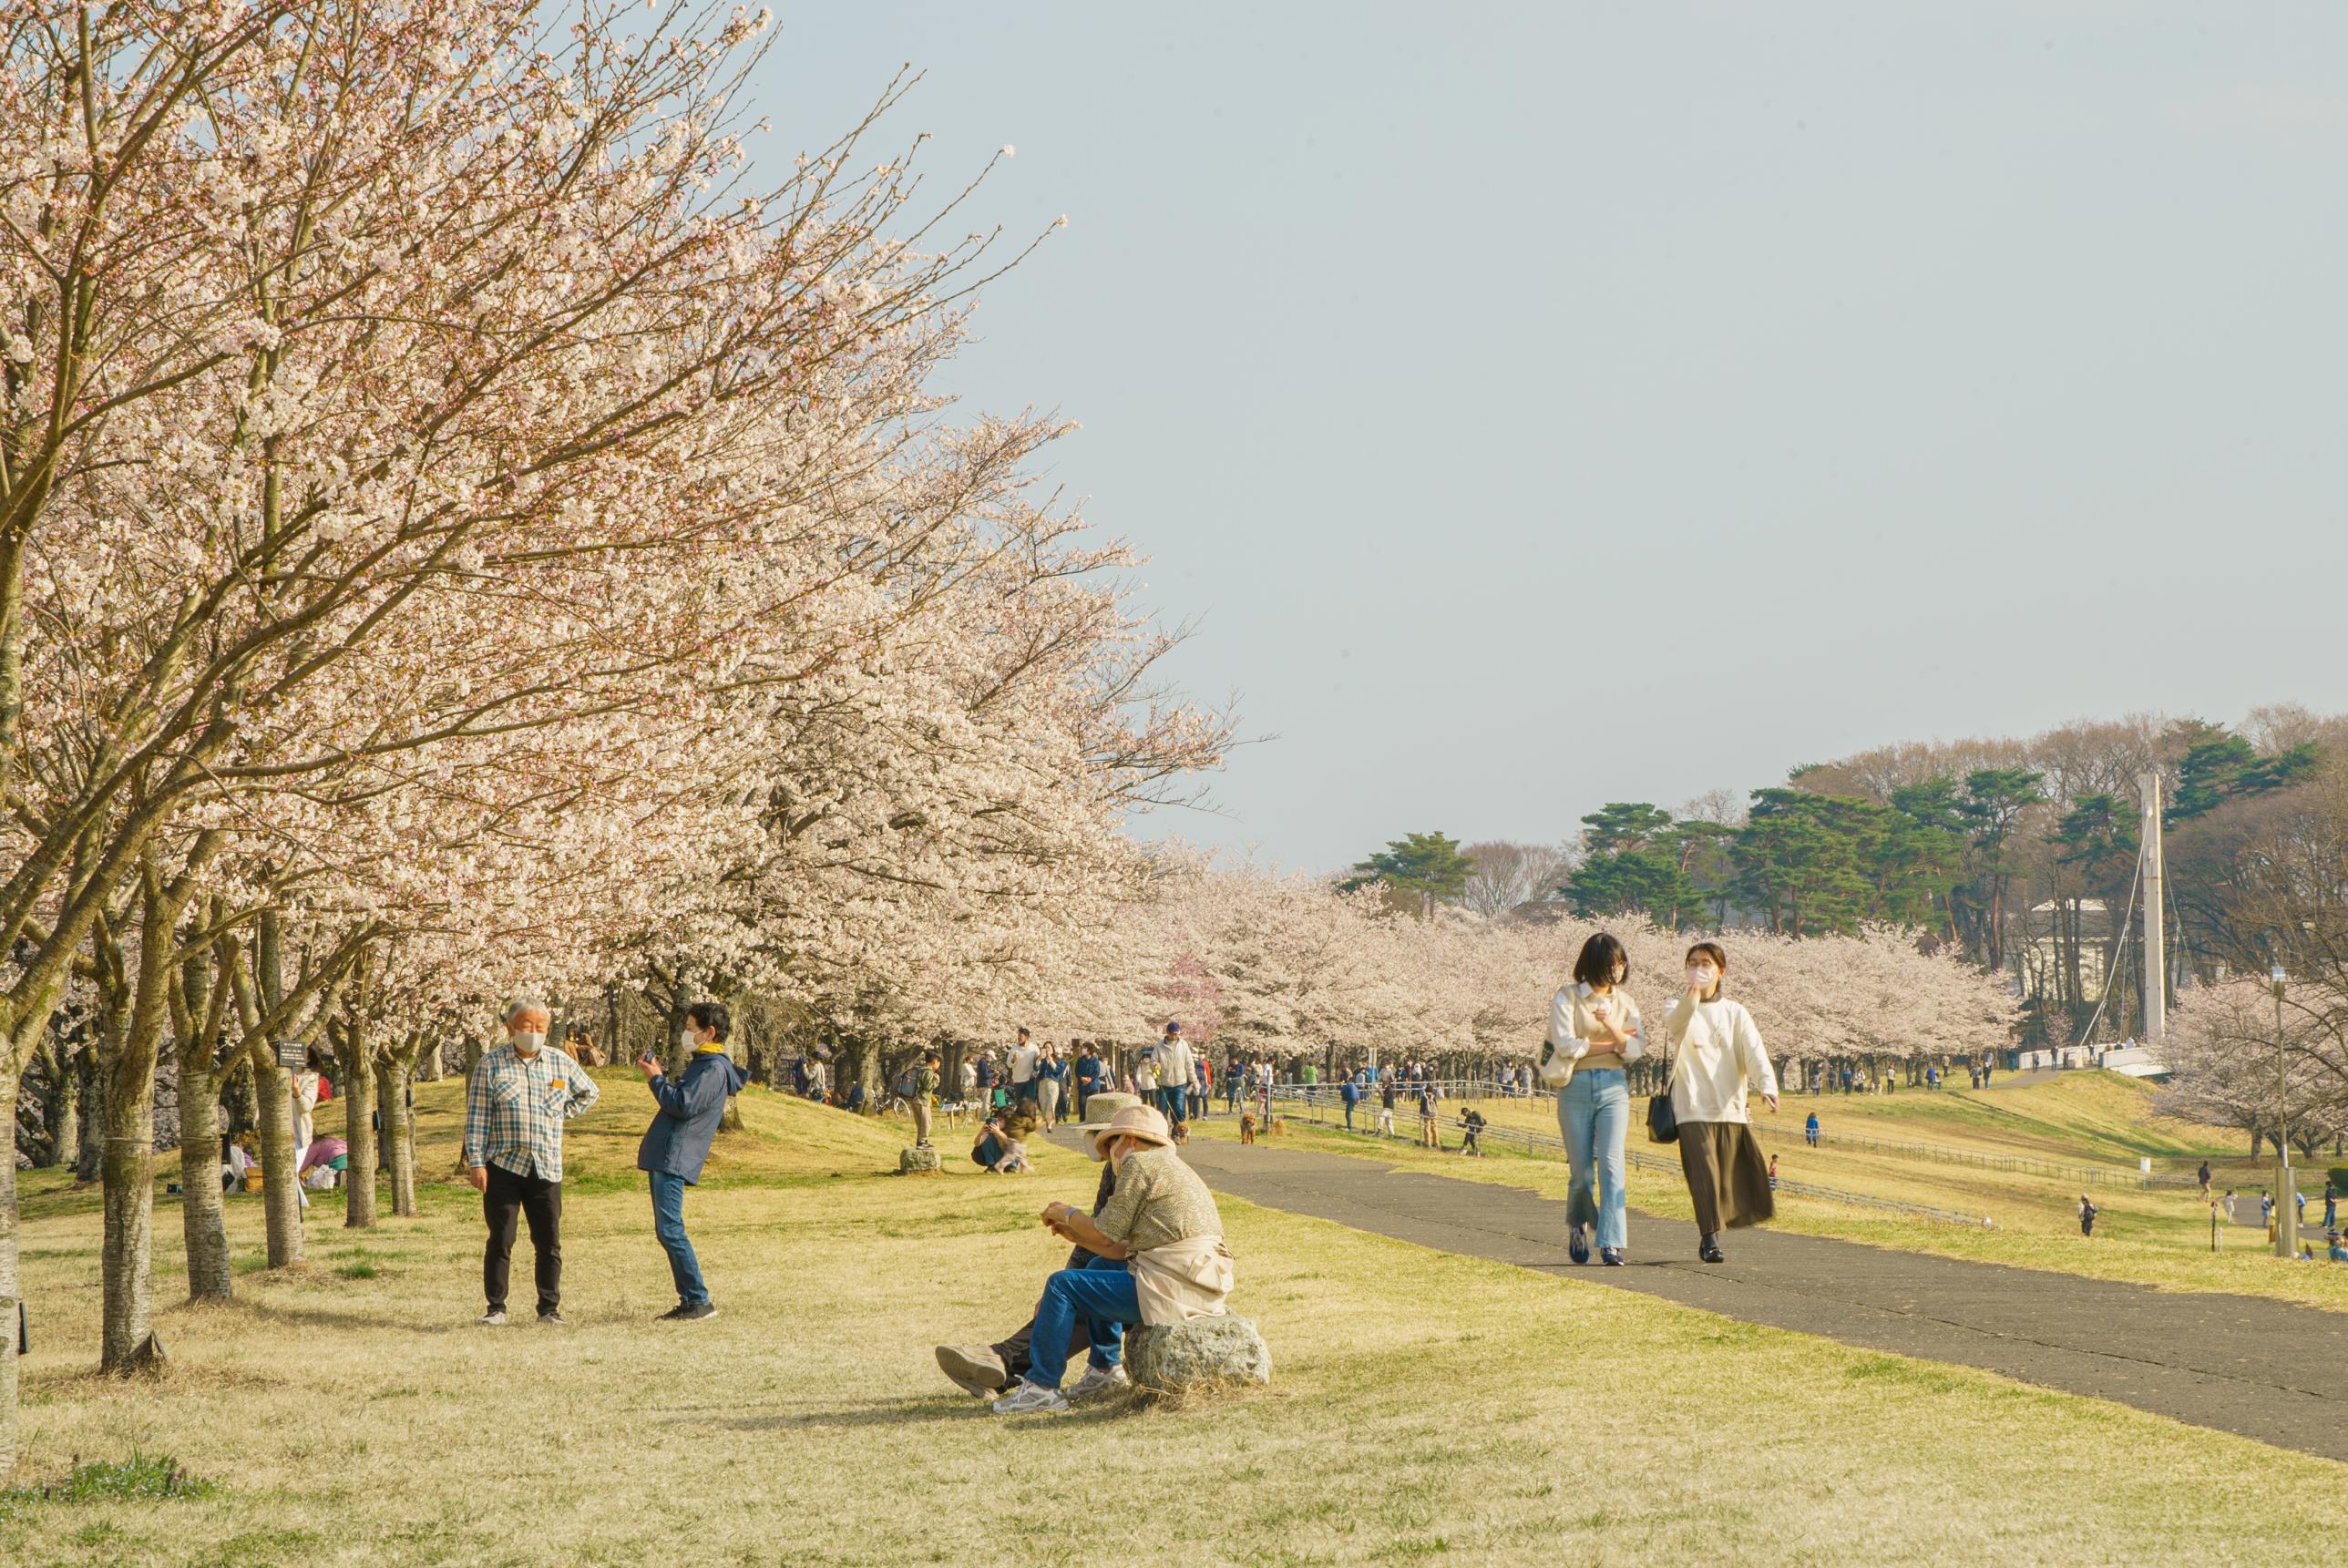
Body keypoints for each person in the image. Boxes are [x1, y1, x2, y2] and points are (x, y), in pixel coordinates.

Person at [992, 1103, 1235, 1415]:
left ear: (1130, 1140)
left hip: (1173, 1285)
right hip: (1199, 1278)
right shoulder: (1172, 1167)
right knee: (1100, 1266)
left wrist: (1066, 1212)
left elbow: (1106, 1233)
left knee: (1061, 1286)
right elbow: (1120, 1249)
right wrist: (1075, 1235)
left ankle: (1041, 1388)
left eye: (1110, 1142)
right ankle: (1104, 1370)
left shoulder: (1140, 1165)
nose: (1108, 1152)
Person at [935, 1094, 1143, 1401]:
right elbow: (1099, 1242)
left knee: (1074, 1292)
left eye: (1097, 1136)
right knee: (1078, 1285)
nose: (1092, 1143)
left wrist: (1069, 1216)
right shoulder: (1118, 1169)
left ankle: (1011, 1366)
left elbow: (1104, 1237)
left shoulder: (1134, 1171)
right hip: (1133, 1270)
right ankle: (1005, 1363)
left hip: (1152, 1281)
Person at [463, 996, 601, 1327]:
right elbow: (477, 1116)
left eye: (540, 1027)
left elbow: (589, 1092)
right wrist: (476, 1162)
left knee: (549, 1241)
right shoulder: (491, 1064)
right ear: (510, 1028)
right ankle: (496, 1307)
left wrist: (561, 1114)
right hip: (503, 1166)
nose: (533, 1032)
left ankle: (549, 1309)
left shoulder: (559, 1062)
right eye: (527, 1026)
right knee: (501, 1238)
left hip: (546, 1165)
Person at [1663, 942, 1778, 1264]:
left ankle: (1721, 1224)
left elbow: (1754, 1051)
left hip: (1729, 1104)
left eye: (1706, 963)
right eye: (1693, 962)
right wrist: (1693, 996)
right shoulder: (1675, 1005)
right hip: (1690, 1106)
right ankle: (1709, 1237)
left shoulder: (1735, 1012)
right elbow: (1677, 1025)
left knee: (1732, 1172)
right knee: (1705, 1174)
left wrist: (1767, 1086)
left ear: (1721, 971)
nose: (1699, 968)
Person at [635, 1001, 747, 1323]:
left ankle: (698, 1300)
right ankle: (690, 1300)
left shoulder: (712, 1069)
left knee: (671, 1230)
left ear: (709, 1032)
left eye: (690, 1027)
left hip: (675, 1155)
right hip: (668, 1154)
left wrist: (655, 1079)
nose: (686, 1033)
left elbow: (683, 1105)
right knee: (667, 1231)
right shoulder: (704, 1065)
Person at [1541, 931, 1645, 1267]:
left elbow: (1635, 1050)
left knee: (1613, 1166)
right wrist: (1611, 1044)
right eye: (1611, 964)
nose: (1616, 970)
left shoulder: (1625, 1003)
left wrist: (1611, 1028)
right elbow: (1566, 1045)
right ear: (1595, 964)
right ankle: (1577, 1225)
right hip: (1576, 1086)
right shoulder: (1569, 997)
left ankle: (1611, 1242)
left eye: (1620, 963)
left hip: (1614, 1087)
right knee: (1582, 1171)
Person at [1154, 1022, 1195, 1128]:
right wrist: (1155, 1065)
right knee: (1162, 1110)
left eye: (1177, 1034)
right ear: (1167, 1032)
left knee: (1178, 1109)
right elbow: (1153, 1061)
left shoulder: (1183, 1045)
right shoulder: (1159, 1046)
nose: (1175, 1036)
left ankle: (1178, 1133)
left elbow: (1189, 1063)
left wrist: (1193, 1079)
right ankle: (1163, 1133)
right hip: (1164, 1083)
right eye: (1172, 1034)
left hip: (1180, 1083)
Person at [909, 1051, 939, 1147]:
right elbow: (928, 1086)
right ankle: (922, 1142)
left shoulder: (921, 1069)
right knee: (926, 1122)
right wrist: (936, 1080)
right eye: (939, 1063)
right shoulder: (927, 1071)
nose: (939, 1065)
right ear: (934, 1062)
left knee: (922, 1122)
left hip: (916, 1099)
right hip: (921, 1100)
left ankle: (922, 1141)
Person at [1074, 1045, 1104, 1123]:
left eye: (1085, 1048)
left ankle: (1093, 1120)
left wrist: (1090, 1079)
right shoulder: (1080, 1060)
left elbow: (1096, 1072)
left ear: (1089, 1051)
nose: (1083, 1050)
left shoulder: (1095, 1060)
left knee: (1093, 1103)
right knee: (1082, 1103)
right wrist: (1082, 1078)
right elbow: (1077, 1071)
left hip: (1093, 1086)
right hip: (1082, 1085)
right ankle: (1082, 1119)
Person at [1417, 1081, 1439, 1149]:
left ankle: (1428, 1143)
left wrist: (1421, 1114)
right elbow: (1436, 1106)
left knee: (1427, 1129)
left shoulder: (1424, 1097)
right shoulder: (1433, 1097)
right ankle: (1436, 1143)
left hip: (1427, 1115)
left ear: (1426, 1090)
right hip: (1434, 1115)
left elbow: (1422, 1107)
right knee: (1435, 1129)